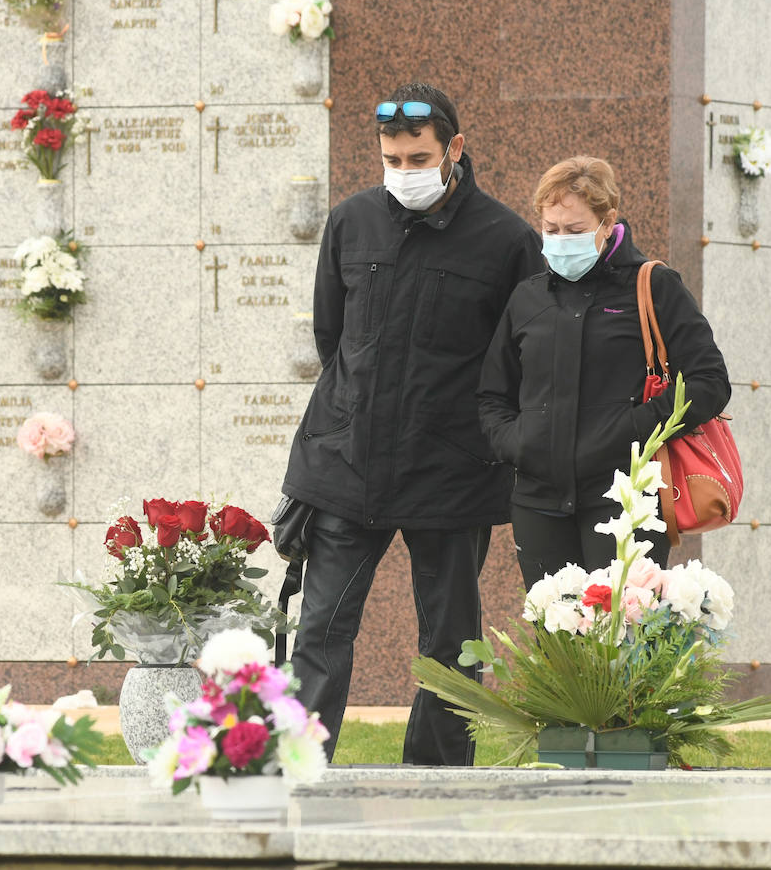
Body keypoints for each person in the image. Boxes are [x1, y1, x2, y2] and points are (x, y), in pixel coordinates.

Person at [281, 82, 542, 765]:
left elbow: (518, 361)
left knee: (450, 642)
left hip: (452, 472)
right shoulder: (351, 221)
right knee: (321, 630)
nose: (404, 173)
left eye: (417, 157)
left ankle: (439, 783)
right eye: (391, 158)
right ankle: (299, 770)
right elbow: (332, 338)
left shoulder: (508, 240)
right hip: (347, 464)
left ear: (454, 148)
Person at [477, 156, 731, 589]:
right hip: (538, 502)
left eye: (574, 231)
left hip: (627, 498)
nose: (560, 241)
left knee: (625, 645)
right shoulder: (527, 297)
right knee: (553, 645)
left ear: (607, 220)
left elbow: (709, 381)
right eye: (550, 230)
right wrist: (519, 443)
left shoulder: (654, 286)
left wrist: (633, 429)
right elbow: (492, 396)